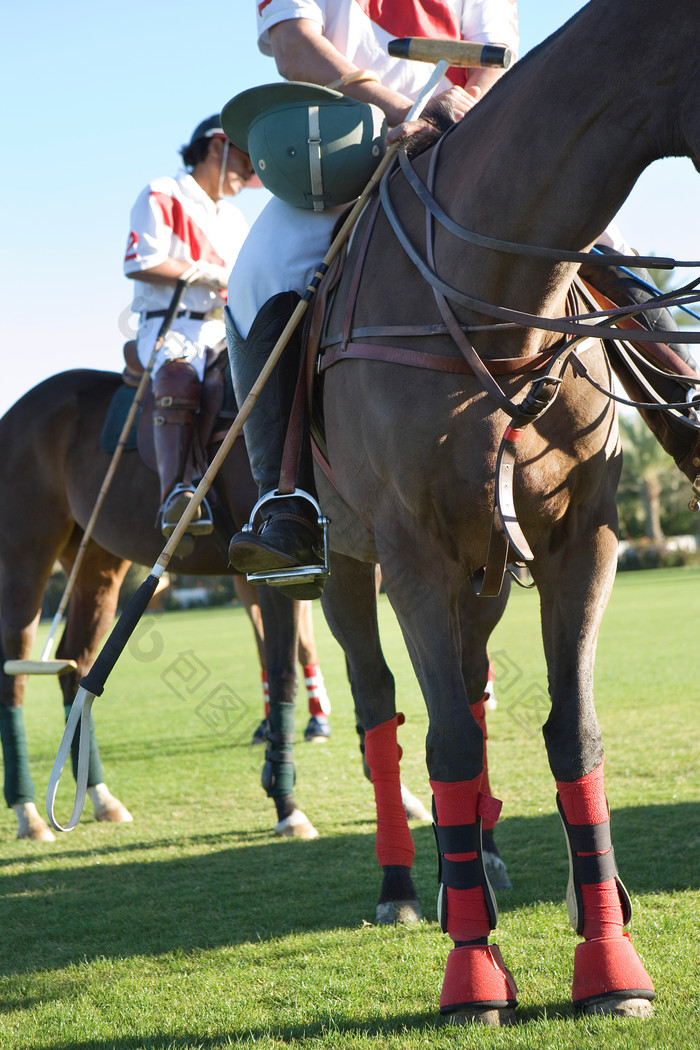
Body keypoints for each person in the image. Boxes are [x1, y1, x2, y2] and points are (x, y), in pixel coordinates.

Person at [224, 0, 519, 596]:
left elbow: (497, 57)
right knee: (260, 275)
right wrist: (403, 106)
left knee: (598, 236)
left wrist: (462, 109)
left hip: (472, 147)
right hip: (348, 152)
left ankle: (684, 413)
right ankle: (289, 505)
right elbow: (293, 43)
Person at [124, 116, 260, 542]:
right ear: (216, 147)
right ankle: (177, 494)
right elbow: (140, 263)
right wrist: (211, 275)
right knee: (180, 378)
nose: (249, 174)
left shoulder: (234, 218)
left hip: (222, 329)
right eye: (243, 160)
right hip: (169, 328)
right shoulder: (161, 193)